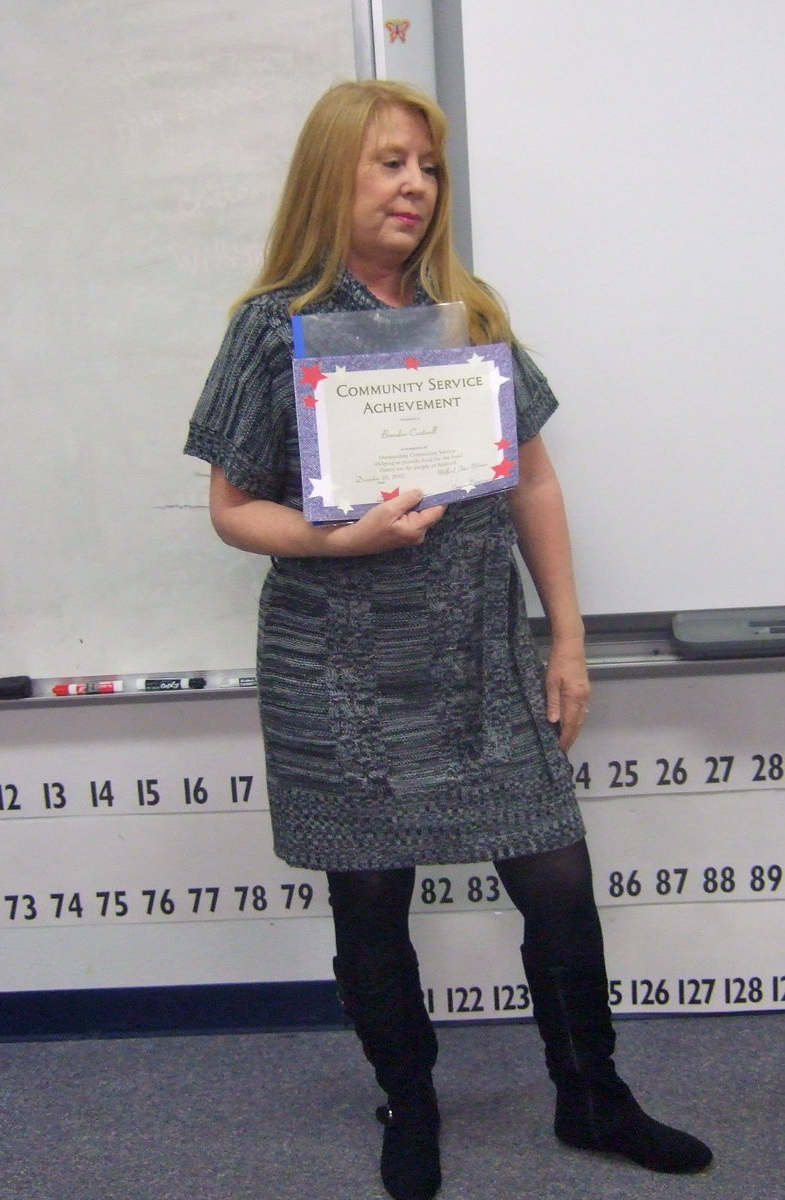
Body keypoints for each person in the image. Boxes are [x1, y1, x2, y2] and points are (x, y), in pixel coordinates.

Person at [185, 79, 712, 1200]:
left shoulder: (469, 313)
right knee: (371, 900)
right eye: (389, 162)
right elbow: (234, 508)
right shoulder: (272, 321)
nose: (414, 185)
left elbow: (537, 485)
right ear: (336, 174)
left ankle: (592, 1094)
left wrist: (565, 640)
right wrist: (342, 539)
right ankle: (409, 1100)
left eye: (427, 167)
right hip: (339, 672)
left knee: (558, 882)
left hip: (481, 662)